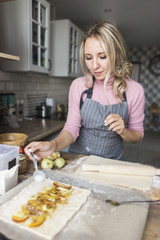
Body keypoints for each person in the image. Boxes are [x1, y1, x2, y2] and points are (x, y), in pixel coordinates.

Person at [25, 21, 145, 161]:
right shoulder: (78, 86)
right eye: (88, 58)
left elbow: (138, 135)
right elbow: (71, 128)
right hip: (77, 159)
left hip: (112, 163)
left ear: (116, 54)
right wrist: (53, 145)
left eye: (102, 56)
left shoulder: (135, 90)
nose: (94, 65)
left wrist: (124, 131)